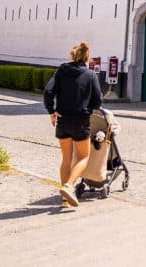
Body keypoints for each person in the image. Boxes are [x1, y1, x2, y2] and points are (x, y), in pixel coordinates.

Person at [43, 42, 102, 207]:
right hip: (81, 121)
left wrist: (51, 111)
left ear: (73, 55)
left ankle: (64, 199)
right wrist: (89, 106)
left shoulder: (61, 70)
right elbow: (98, 101)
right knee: (83, 157)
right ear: (86, 57)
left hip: (62, 119)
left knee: (66, 159)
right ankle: (69, 186)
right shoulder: (90, 75)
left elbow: (48, 92)